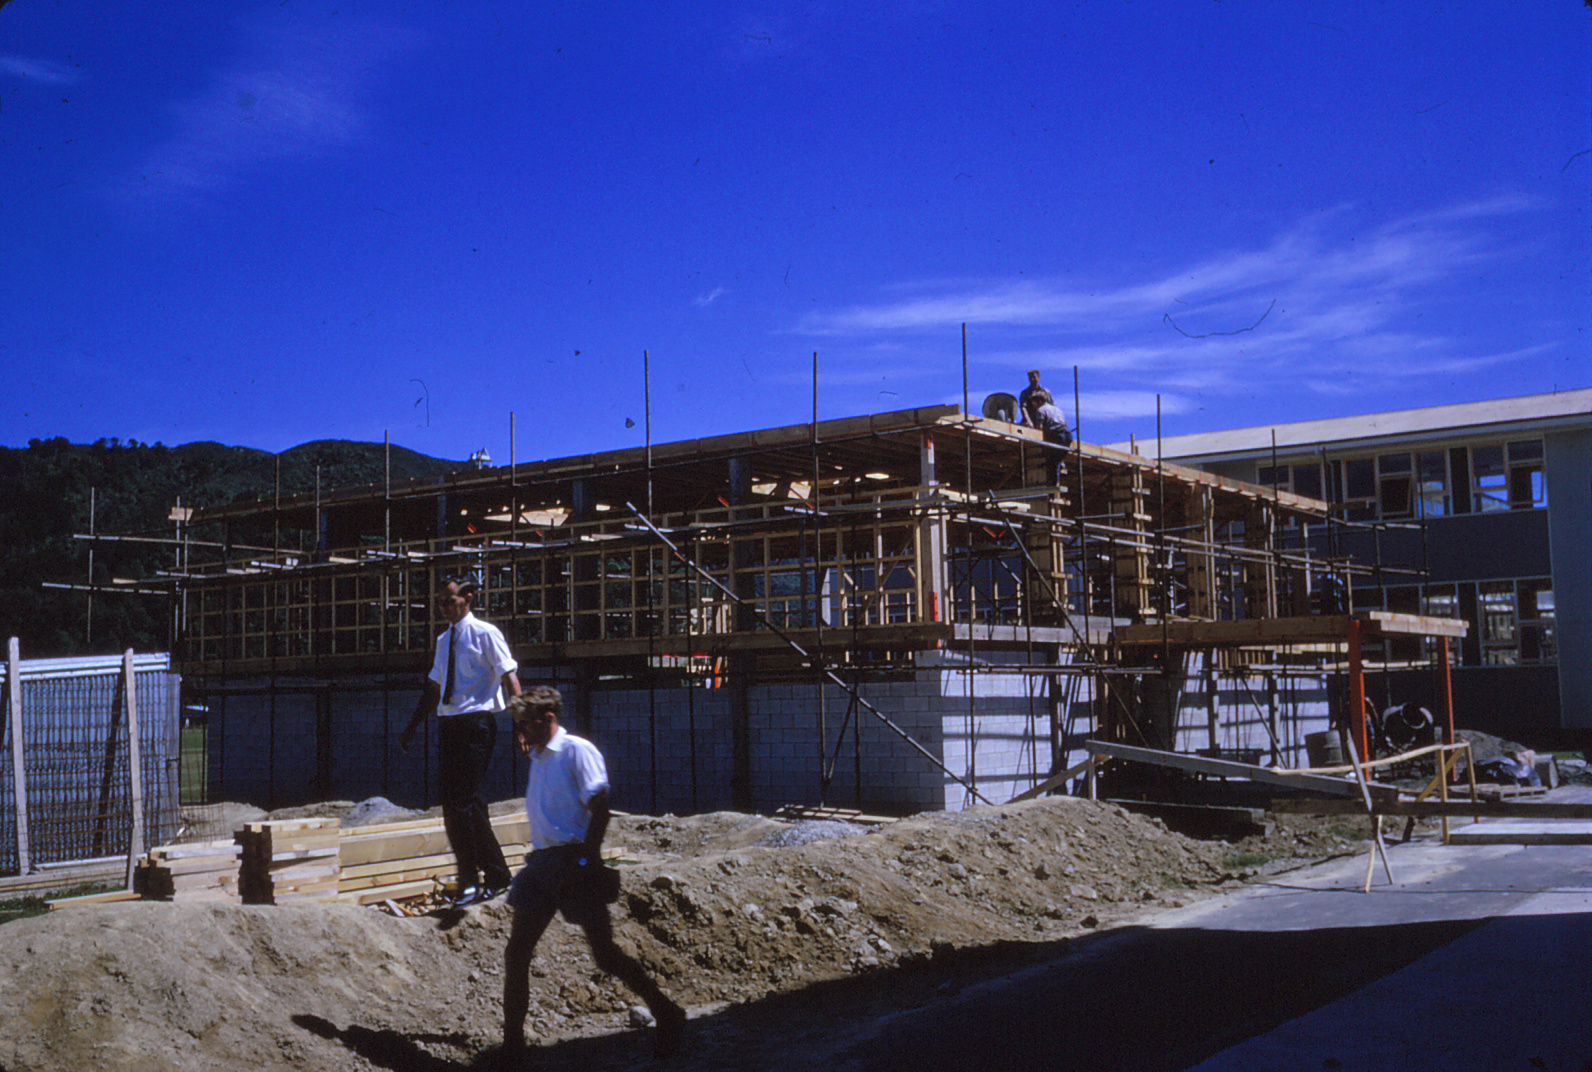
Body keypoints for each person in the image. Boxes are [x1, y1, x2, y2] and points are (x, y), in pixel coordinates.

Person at [502, 686, 685, 1061]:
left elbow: (600, 810)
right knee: (517, 952)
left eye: (526, 725)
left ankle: (667, 1012)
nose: (521, 733)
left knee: (605, 955)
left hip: (572, 862)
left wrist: (586, 862)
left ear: (548, 719)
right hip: (540, 865)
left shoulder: (576, 752)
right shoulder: (538, 756)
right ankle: (512, 1046)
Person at [399, 574, 519, 908]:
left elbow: (510, 677)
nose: (444, 608)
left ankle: (470, 880)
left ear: (468, 599)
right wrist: (412, 727)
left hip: (476, 724)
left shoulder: (485, 634)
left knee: (459, 804)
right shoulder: (443, 641)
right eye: (440, 602)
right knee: (466, 803)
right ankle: (497, 875)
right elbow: (435, 687)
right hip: (449, 724)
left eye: (449, 601)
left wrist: (522, 723)